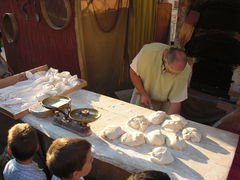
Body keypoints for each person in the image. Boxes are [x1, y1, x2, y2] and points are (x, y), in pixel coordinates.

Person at [130, 43, 191, 114]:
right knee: (134, 116)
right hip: (143, 92)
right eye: (170, 71)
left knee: (165, 120)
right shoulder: (148, 53)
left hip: (166, 100)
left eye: (176, 74)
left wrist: (170, 122)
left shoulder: (185, 71)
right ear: (165, 57)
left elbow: (176, 102)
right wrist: (143, 94)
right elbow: (133, 72)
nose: (172, 75)